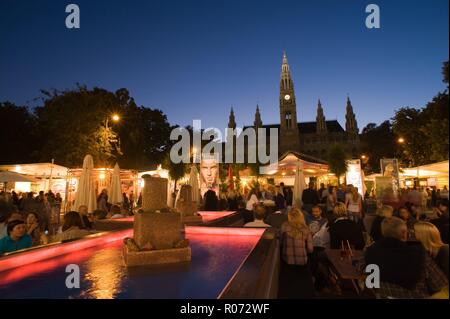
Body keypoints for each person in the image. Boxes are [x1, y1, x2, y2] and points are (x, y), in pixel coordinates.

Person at [365, 217, 448, 298]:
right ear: (405, 234)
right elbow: (440, 285)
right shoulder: (419, 254)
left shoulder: (370, 251)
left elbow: (369, 277)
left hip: (385, 295)